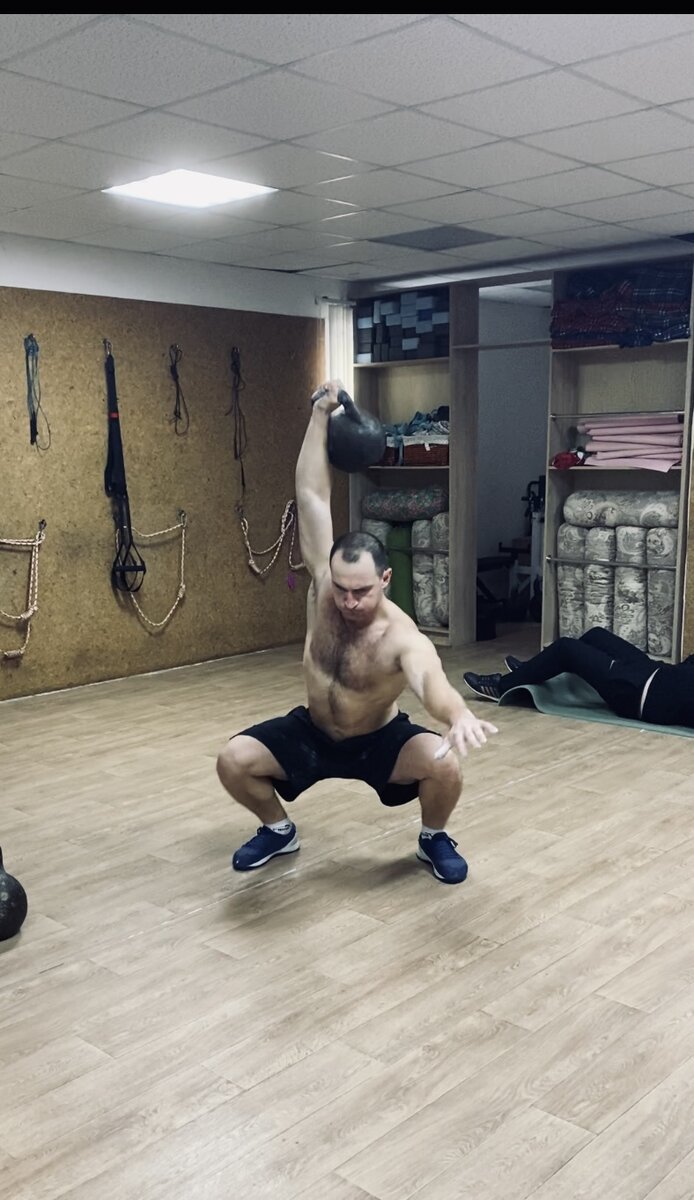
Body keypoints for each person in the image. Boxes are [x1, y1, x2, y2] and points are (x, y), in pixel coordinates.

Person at [217, 380, 498, 885]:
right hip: (313, 731)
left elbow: (430, 682)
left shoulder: (402, 635)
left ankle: (433, 838)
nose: (348, 601)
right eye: (342, 588)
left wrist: (457, 714)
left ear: (385, 579)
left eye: (362, 591)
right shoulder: (324, 587)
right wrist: (319, 416)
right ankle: (279, 831)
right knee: (233, 760)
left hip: (377, 739)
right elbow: (311, 494)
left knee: (445, 766)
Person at [463, 626, 694, 728]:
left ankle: (501, 687)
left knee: (566, 649)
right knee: (596, 635)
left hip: (638, 694)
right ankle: (532, 670)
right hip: (655, 672)